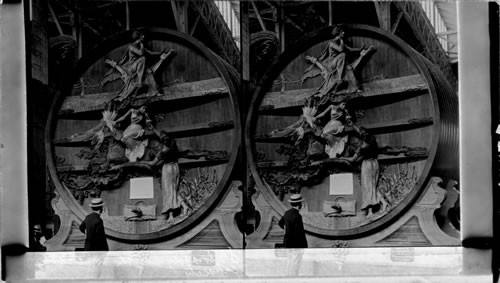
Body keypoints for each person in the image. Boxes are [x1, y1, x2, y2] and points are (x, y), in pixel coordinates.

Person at [302, 25, 374, 97]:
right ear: (338, 33)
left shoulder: (340, 42)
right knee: (343, 55)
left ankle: (356, 88)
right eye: (342, 31)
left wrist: (360, 49)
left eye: (343, 31)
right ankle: (339, 78)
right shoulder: (332, 43)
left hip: (339, 62)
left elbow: (350, 49)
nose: (343, 32)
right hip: (331, 63)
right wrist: (342, 40)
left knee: (348, 68)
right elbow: (341, 49)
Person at [103, 29, 175, 101]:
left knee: (148, 72)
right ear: (139, 37)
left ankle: (156, 91)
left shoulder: (140, 46)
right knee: (143, 58)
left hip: (139, 66)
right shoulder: (132, 46)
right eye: (142, 35)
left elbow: (150, 52)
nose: (143, 36)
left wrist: (160, 53)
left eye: (143, 35)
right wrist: (142, 45)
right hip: (131, 67)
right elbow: (141, 53)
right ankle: (139, 82)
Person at [341, 125, 389, 218]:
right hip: (375, 163)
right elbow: (360, 130)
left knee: (367, 188)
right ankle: (384, 202)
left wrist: (341, 157)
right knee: (373, 187)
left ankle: (370, 211)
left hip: (367, 165)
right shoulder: (371, 139)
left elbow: (352, 160)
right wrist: (352, 125)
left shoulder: (362, 147)